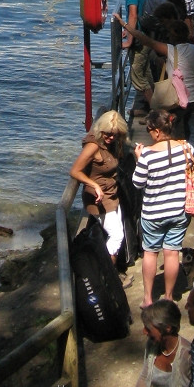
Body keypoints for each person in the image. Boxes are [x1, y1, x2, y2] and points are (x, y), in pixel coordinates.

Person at [131, 108, 194, 309]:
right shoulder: (187, 148)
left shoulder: (147, 155)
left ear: (156, 131)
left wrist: (138, 158)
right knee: (172, 253)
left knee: (151, 253)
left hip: (153, 213)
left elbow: (137, 183)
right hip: (179, 212)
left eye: (148, 129)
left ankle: (147, 299)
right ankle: (169, 296)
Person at [115, 15, 194, 151]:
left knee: (174, 134)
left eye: (170, 34)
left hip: (176, 101)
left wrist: (124, 24)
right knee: (192, 133)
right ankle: (192, 162)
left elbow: (145, 40)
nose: (169, 36)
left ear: (175, 36)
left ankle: (176, 161)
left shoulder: (171, 50)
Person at [69, 110, 133, 286]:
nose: (110, 138)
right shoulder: (93, 146)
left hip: (112, 194)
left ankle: (107, 272)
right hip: (100, 199)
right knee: (116, 235)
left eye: (114, 135)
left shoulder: (112, 143)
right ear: (100, 130)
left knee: (113, 234)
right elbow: (75, 171)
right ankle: (105, 276)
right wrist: (94, 185)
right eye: (107, 134)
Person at [122, 300, 194, 387]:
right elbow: (144, 380)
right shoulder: (152, 347)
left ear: (167, 328)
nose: (144, 332)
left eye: (148, 328)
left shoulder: (188, 355)